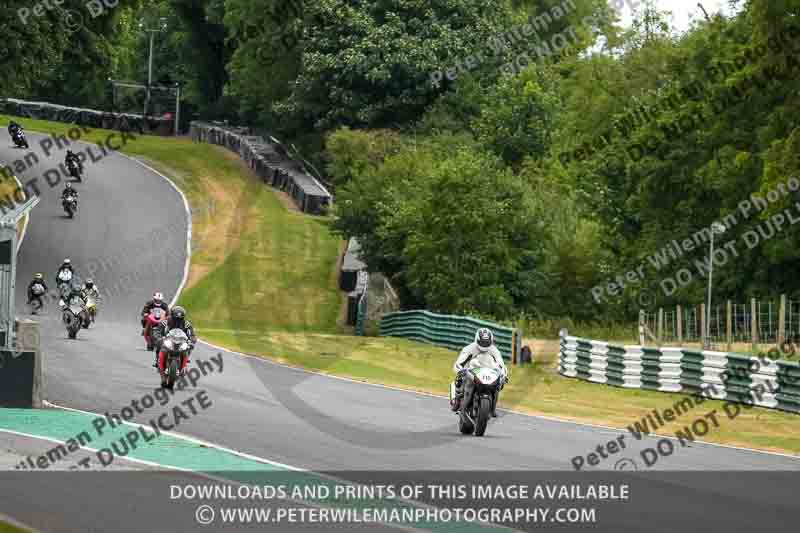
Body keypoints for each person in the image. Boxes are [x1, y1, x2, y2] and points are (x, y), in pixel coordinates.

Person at [451, 328, 508, 417]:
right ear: (477, 340)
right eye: (482, 342)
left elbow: (501, 364)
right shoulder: (469, 349)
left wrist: (503, 374)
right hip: (471, 371)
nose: (484, 345)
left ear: (491, 341)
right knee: (460, 379)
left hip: (487, 374)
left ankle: (492, 408)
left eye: (486, 342)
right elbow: (458, 363)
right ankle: (457, 400)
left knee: (499, 384)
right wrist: (461, 370)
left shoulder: (494, 350)